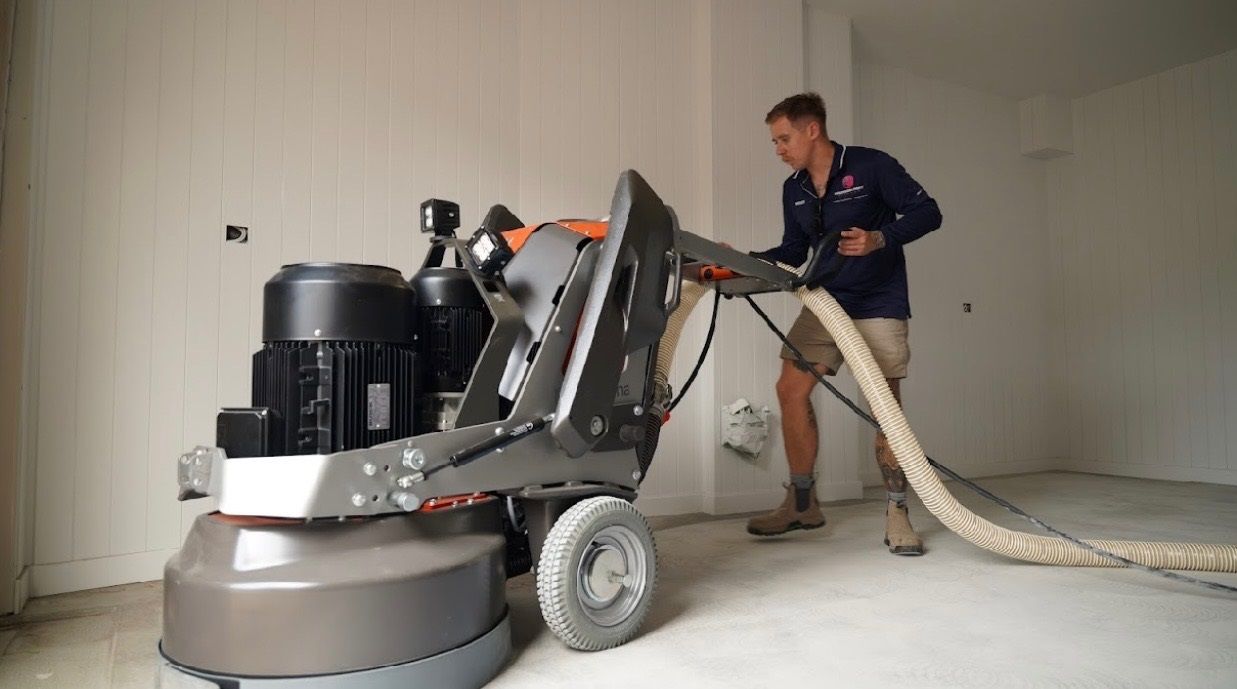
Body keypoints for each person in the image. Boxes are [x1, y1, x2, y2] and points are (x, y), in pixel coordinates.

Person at [744, 92, 942, 555]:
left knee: (885, 406)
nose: (778, 149)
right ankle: (802, 504)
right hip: (825, 301)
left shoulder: (871, 166)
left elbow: (928, 211)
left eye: (783, 138)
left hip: (877, 302)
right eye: (774, 141)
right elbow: (795, 251)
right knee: (790, 389)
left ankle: (898, 512)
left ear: (812, 130)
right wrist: (744, 261)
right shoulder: (793, 188)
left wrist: (880, 237)